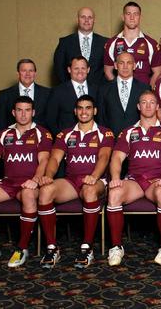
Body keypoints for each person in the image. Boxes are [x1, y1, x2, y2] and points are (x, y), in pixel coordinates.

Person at [0, 96, 53, 268]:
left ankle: (22, 248)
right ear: (13, 112)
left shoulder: (42, 133)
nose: (23, 114)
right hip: (8, 183)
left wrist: (35, 180)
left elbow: (44, 160)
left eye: (27, 110)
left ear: (33, 112)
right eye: (19, 110)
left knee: (28, 195)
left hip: (29, 185)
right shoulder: (4, 134)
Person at [37, 95, 114, 268]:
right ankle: (52, 247)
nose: (84, 111)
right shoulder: (65, 134)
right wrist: (48, 175)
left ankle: (87, 247)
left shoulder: (104, 132)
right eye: (80, 108)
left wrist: (94, 175)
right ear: (75, 111)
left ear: (95, 111)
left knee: (89, 190)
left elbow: (104, 156)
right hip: (71, 181)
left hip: (96, 180)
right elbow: (55, 159)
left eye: (88, 108)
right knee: (45, 191)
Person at [106, 91, 161, 266]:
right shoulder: (129, 132)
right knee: (114, 193)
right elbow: (116, 158)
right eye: (144, 102)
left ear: (157, 107)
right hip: (135, 181)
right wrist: (116, 177)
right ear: (138, 106)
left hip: (157, 180)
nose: (148, 106)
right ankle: (116, 247)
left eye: (152, 102)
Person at [103, 1, 161, 87]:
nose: (132, 17)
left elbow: (158, 72)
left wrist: (147, 91)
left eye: (135, 14)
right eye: (128, 14)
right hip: (120, 93)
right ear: (123, 17)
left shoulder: (151, 43)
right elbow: (108, 71)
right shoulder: (112, 43)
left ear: (140, 17)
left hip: (142, 96)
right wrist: (116, 88)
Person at [97, 52, 151, 136]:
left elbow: (148, 116)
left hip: (138, 139)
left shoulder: (144, 88)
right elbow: (101, 117)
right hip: (111, 140)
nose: (125, 67)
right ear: (115, 65)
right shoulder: (104, 89)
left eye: (129, 63)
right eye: (121, 63)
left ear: (134, 65)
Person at [46, 56, 99, 135]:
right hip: (66, 141)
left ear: (88, 70)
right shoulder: (57, 91)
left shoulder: (97, 90)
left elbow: (101, 117)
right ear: (69, 70)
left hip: (93, 139)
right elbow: (50, 120)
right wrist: (61, 138)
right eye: (76, 68)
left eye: (83, 68)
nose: (80, 71)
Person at [53, 7, 108, 85]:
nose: (86, 20)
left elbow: (109, 68)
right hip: (72, 92)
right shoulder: (65, 42)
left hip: (98, 92)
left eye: (90, 17)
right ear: (77, 20)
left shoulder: (105, 42)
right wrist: (69, 87)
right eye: (83, 17)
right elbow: (59, 68)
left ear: (94, 20)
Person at [0, 58, 50, 130]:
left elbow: (51, 120)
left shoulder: (48, 93)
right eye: (24, 71)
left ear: (35, 73)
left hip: (41, 138)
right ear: (18, 74)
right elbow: (1, 123)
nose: (27, 74)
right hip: (13, 138)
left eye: (31, 70)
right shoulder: (5, 95)